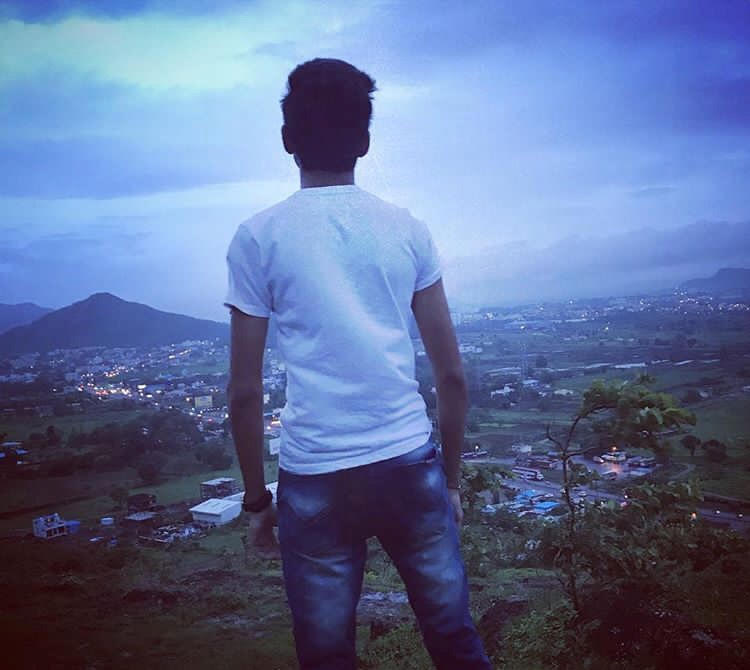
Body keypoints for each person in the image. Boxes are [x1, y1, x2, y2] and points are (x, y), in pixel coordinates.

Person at [223, 57, 491, 670]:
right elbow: (451, 377)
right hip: (407, 461)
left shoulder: (258, 238)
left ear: (287, 141)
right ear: (365, 142)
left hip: (315, 472)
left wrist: (257, 503)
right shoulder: (407, 230)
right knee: (453, 638)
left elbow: (244, 392)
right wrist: (449, 485)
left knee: (326, 655)